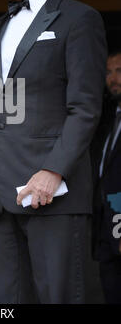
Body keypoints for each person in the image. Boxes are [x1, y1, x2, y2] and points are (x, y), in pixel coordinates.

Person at [0, 0, 107, 304]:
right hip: (0, 196)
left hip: (54, 193)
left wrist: (53, 171)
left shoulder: (79, 19)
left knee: (60, 296)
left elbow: (85, 107)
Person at [92, 50, 121, 304]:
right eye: (108, 72)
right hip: (105, 223)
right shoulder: (109, 118)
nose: (113, 79)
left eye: (119, 71)